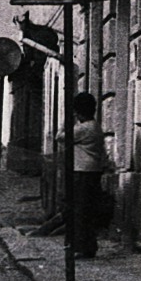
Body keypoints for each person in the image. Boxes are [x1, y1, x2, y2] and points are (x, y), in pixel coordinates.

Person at [57, 92, 111, 258]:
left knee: (79, 211)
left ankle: (81, 247)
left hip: (82, 172)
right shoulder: (95, 126)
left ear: (79, 111)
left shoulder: (82, 128)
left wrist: (65, 123)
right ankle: (88, 245)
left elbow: (60, 137)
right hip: (93, 171)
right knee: (88, 211)